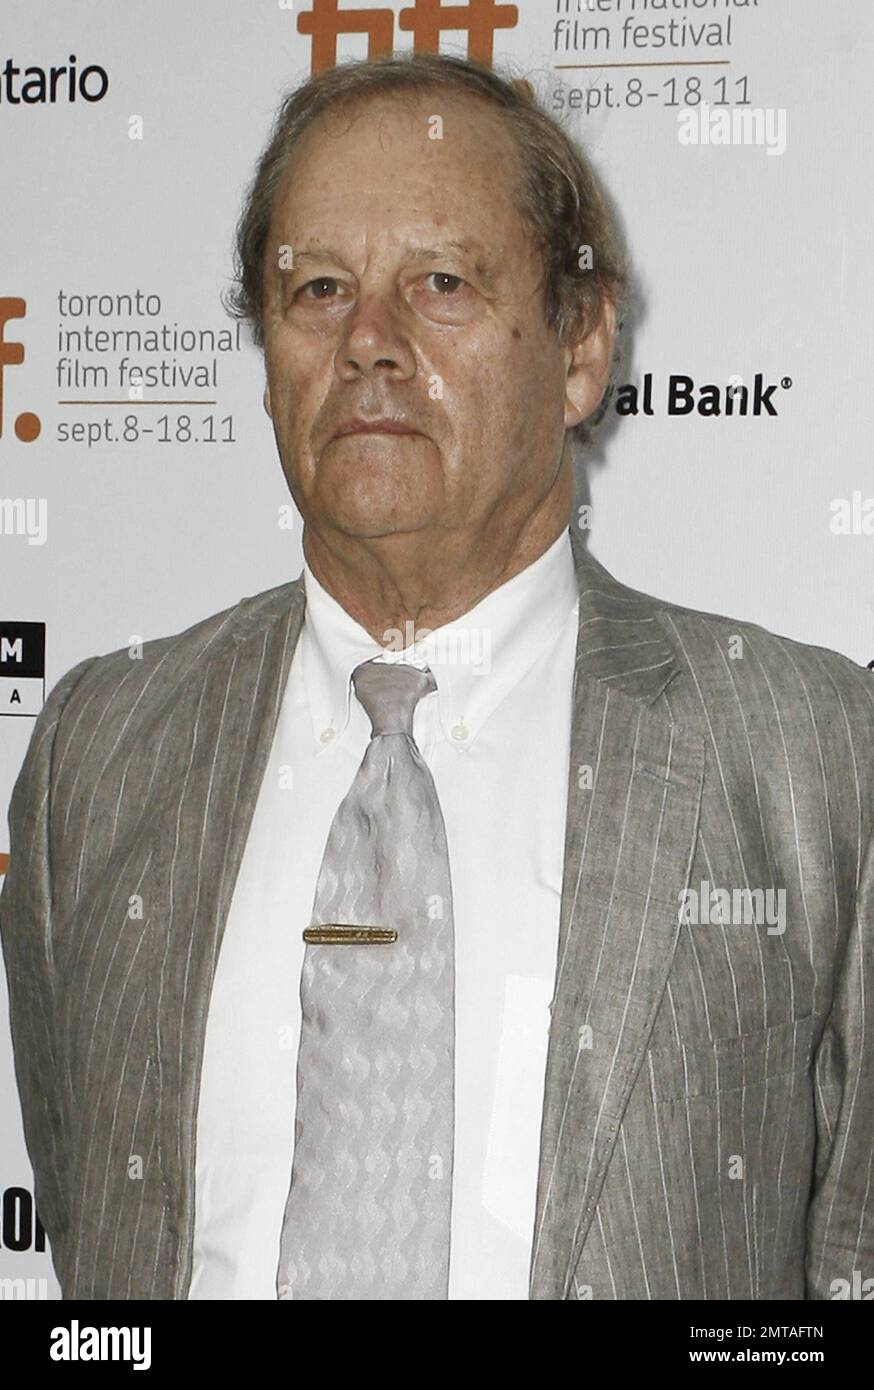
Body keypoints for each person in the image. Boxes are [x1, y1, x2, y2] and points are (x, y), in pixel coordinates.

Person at [1, 52, 871, 1302]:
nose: (368, 343)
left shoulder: (813, 752)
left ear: (580, 347)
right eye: (316, 290)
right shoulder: (99, 747)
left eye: (442, 284)